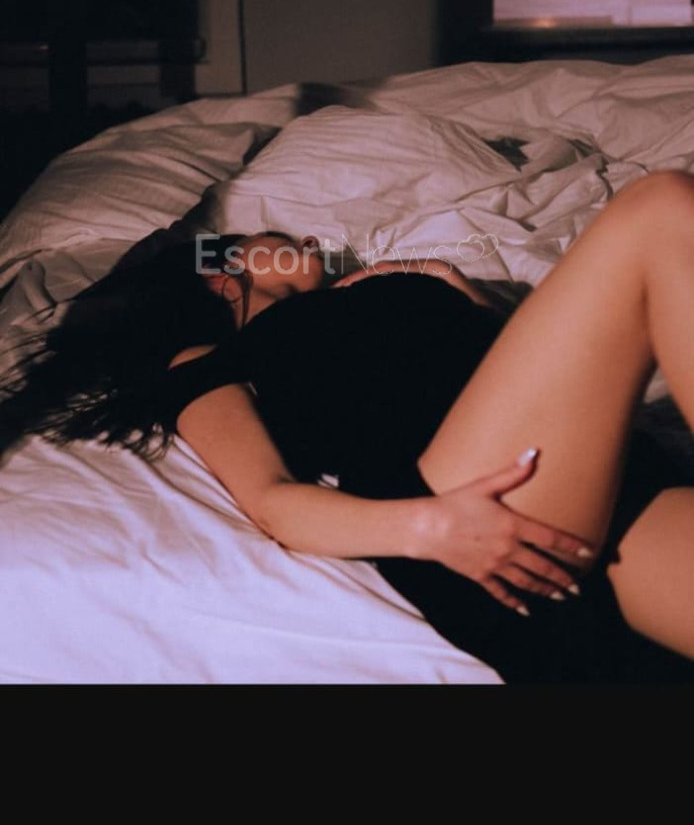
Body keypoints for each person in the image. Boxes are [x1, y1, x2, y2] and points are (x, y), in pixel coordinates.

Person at [3, 170, 694, 682]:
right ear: (219, 273)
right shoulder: (209, 354)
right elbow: (271, 500)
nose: (308, 242)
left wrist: (452, 286)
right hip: (456, 494)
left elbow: (564, 376)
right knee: (659, 207)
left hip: (595, 484)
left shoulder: (384, 286)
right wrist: (430, 526)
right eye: (275, 241)